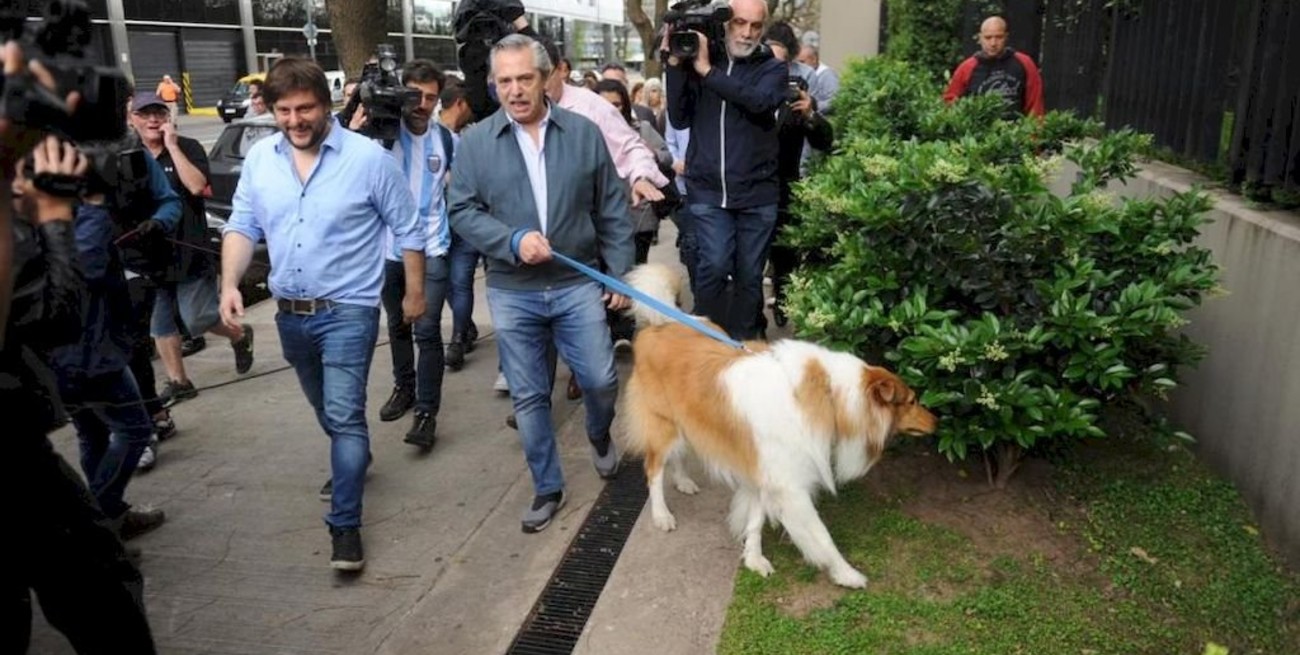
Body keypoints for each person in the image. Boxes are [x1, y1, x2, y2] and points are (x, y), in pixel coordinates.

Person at [220, 57, 425, 572]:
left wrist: (415, 294)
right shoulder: (262, 160)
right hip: (289, 315)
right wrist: (227, 284)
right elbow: (242, 225)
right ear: (271, 109)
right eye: (284, 110)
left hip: (349, 311)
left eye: (305, 108)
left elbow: (409, 227)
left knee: (345, 415)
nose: (295, 120)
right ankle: (352, 456)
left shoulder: (369, 160)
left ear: (327, 105)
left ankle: (345, 526)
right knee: (327, 412)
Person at [449, 34, 633, 533]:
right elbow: (461, 211)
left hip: (577, 282)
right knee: (530, 396)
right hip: (513, 290)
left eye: (524, 78)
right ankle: (547, 486)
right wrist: (511, 240)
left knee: (600, 378)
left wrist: (618, 270)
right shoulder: (476, 142)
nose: (514, 90)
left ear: (548, 77)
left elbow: (612, 205)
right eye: (504, 80)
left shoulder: (583, 133)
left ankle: (599, 434)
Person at [663, 0, 787, 340]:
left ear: (764, 27)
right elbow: (679, 117)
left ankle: (744, 348)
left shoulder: (772, 69)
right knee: (713, 266)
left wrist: (708, 73)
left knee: (749, 276)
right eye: (739, 23)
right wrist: (675, 63)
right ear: (724, 23)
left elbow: (759, 102)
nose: (747, 32)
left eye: (755, 26)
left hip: (757, 195)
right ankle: (705, 341)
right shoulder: (701, 59)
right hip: (706, 190)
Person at [129, 92, 255, 412]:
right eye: (144, 115)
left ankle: (239, 336)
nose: (152, 120)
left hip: (189, 249)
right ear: (132, 120)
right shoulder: (128, 155)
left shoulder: (188, 147)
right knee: (160, 323)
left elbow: (197, 186)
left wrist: (171, 147)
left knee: (198, 318)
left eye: (158, 113)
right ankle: (180, 382)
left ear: (169, 117)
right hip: (150, 255)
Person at [353, 59, 456, 447]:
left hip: (432, 249)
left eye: (431, 97)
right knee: (397, 324)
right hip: (387, 251)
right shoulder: (380, 136)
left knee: (427, 330)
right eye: (415, 95)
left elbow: (463, 191)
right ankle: (404, 387)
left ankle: (427, 412)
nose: (423, 104)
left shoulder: (446, 140)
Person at [763, 23, 835, 330]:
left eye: (783, 64)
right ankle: (753, 320)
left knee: (785, 256)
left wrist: (809, 114)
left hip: (786, 187)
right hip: (750, 187)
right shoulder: (746, 88)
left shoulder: (800, 92)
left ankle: (782, 302)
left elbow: (824, 140)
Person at [594, 79, 673, 266]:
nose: (610, 111)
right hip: (602, 223)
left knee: (634, 275)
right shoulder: (584, 136)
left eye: (616, 105)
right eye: (604, 105)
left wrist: (649, 154)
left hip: (639, 218)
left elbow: (667, 157)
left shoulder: (641, 129)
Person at [437, 80, 482, 372]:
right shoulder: (442, 138)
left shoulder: (454, 136)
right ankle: (461, 333)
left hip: (456, 223)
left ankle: (458, 338)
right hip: (449, 222)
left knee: (457, 283)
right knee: (457, 283)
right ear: (460, 104)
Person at [943, 16, 1045, 118]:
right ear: (980, 38)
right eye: (988, 37)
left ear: (1006, 37)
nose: (993, 43)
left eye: (999, 37)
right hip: (979, 131)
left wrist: (1033, 132)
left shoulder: (1024, 63)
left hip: (1016, 130)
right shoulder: (967, 67)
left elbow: (1035, 105)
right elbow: (950, 102)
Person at [796, 42, 839, 112]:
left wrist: (813, 105)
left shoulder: (828, 76)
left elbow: (834, 101)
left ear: (814, 60)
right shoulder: (804, 74)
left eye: (802, 62)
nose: (800, 66)